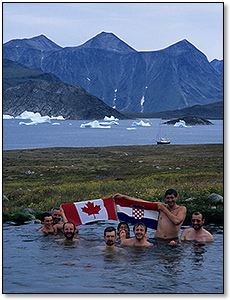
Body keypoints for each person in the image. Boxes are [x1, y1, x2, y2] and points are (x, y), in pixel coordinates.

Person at [113, 188, 187, 242]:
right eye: (168, 198)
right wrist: (124, 197)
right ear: (165, 198)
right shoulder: (161, 206)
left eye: (172, 198)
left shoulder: (181, 209)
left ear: (176, 198)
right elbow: (143, 202)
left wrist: (164, 209)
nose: (170, 200)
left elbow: (177, 221)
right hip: (157, 240)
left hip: (171, 241)